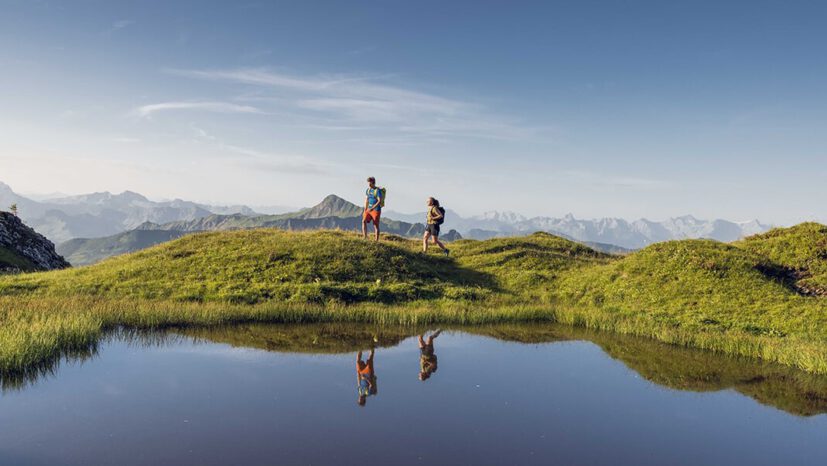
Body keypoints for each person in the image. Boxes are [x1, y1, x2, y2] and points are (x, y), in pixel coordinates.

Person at [362, 177, 383, 241]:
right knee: (363, 221)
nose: (369, 185)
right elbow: (367, 200)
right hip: (368, 209)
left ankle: (376, 241)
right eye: (368, 183)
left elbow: (379, 201)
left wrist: (373, 208)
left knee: (375, 225)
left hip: (376, 210)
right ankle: (365, 237)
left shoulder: (377, 190)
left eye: (370, 184)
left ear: (373, 183)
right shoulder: (368, 190)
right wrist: (365, 208)